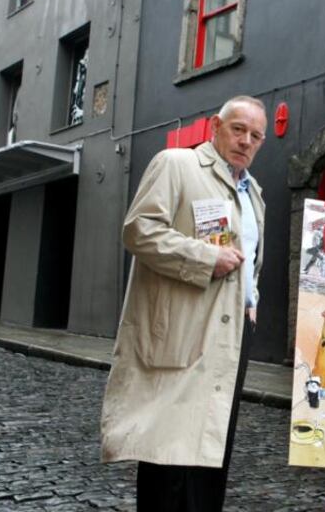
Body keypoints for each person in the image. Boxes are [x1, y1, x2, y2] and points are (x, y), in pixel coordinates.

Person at [100, 95, 267, 512]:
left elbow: (252, 259)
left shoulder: (255, 194)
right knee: (169, 451)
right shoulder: (177, 164)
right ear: (216, 126)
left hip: (233, 332)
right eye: (238, 129)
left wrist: (253, 300)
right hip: (183, 327)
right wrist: (206, 258)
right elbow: (139, 230)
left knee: (212, 446)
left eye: (256, 135)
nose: (246, 141)